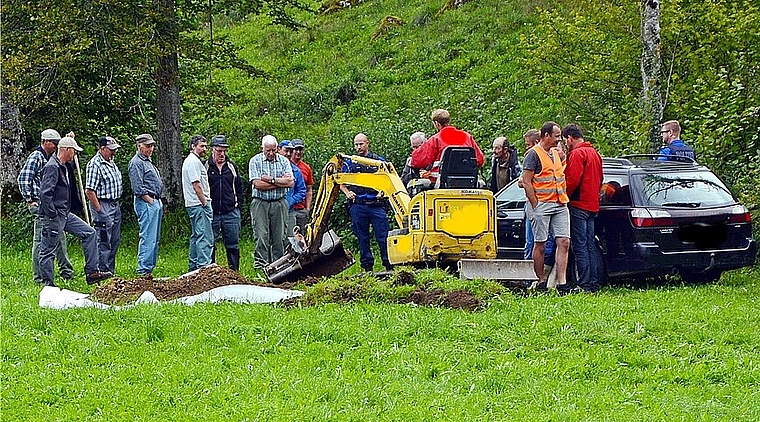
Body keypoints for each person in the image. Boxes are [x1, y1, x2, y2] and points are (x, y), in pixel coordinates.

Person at [38, 136, 112, 286]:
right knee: (48, 250)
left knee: (89, 233)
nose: (75, 155)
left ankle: (92, 272)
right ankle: (48, 285)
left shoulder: (63, 166)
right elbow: (45, 194)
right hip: (54, 215)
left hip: (65, 214)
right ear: (66, 150)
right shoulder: (52, 167)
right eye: (74, 151)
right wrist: (52, 214)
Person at [17, 129, 74, 284]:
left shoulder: (51, 158)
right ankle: (40, 277)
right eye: (54, 143)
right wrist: (30, 200)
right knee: (41, 241)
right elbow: (23, 179)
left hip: (50, 205)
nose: (56, 146)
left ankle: (65, 271)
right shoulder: (37, 156)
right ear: (46, 142)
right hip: (40, 204)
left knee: (58, 237)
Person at [521, 121, 572, 294]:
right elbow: (526, 182)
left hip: (559, 203)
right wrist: (535, 204)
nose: (559, 139)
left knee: (564, 241)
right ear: (546, 135)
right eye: (556, 136)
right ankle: (540, 280)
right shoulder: (533, 155)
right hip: (541, 204)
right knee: (540, 244)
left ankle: (562, 283)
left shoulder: (556, 154)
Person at [340, 133, 393, 272]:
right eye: (356, 144)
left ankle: (388, 263)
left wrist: (383, 191)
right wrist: (347, 193)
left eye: (361, 144)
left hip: (376, 204)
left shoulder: (378, 161)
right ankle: (367, 266)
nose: (359, 147)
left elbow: (389, 179)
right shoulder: (350, 162)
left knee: (383, 236)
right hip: (358, 205)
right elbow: (339, 182)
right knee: (362, 237)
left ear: (367, 143)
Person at [563, 123, 603, 293]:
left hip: (579, 204)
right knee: (590, 245)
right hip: (592, 205)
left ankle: (584, 283)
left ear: (570, 138)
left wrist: (563, 196)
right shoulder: (595, 153)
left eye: (566, 140)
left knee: (580, 245)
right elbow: (601, 178)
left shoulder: (577, 154)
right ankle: (593, 282)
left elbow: (572, 180)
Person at [249, 135, 294, 268]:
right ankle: (261, 265)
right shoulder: (255, 161)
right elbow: (257, 184)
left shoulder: (283, 161)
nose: (271, 153)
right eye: (268, 150)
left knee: (279, 236)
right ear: (262, 148)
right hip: (260, 203)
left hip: (279, 202)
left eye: (274, 150)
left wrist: (270, 180)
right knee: (261, 235)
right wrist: (280, 182)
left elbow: (290, 182)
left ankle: (278, 265)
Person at [411, 109, 485, 184]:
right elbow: (479, 160)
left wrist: (411, 160)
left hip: (441, 183)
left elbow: (419, 160)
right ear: (448, 121)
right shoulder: (467, 137)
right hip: (468, 182)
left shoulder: (436, 139)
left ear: (437, 124)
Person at [85, 135, 123, 274]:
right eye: (111, 149)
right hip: (102, 204)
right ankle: (102, 270)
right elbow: (90, 191)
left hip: (114, 204)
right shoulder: (95, 165)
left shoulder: (111, 162)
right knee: (103, 239)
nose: (114, 152)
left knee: (114, 239)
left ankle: (110, 270)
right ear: (102, 149)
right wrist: (100, 210)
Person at [205, 135, 244, 271]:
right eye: (219, 151)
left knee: (233, 244)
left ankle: (234, 273)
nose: (222, 154)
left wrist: (239, 207)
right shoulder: (206, 166)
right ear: (212, 150)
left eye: (224, 151)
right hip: (213, 212)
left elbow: (239, 187)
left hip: (231, 212)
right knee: (210, 244)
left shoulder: (232, 166)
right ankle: (210, 272)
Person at [128, 133, 164, 276]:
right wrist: (149, 200)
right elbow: (137, 186)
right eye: (148, 146)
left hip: (154, 201)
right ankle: (143, 269)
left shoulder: (147, 161)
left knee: (154, 237)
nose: (151, 149)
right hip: (146, 202)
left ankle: (148, 268)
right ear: (139, 146)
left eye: (152, 146)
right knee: (148, 236)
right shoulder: (136, 162)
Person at [182, 135, 213, 272]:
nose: (204, 149)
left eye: (205, 146)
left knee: (196, 235)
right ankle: (203, 267)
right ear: (193, 146)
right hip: (198, 204)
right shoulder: (193, 162)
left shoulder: (192, 161)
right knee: (204, 236)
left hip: (193, 204)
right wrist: (205, 203)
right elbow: (196, 184)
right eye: (201, 146)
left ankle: (193, 268)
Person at [278, 140, 306, 244]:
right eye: (286, 151)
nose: (288, 154)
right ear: (279, 150)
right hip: (274, 210)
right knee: (274, 239)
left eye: (290, 151)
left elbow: (302, 191)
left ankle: (289, 260)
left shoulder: (296, 171)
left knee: (290, 240)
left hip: (290, 211)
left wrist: (291, 200)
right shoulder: (272, 168)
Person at [290, 138, 314, 233]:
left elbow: (309, 190)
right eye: (296, 149)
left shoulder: (306, 168)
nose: (298, 152)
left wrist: (307, 209)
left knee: (301, 237)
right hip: (288, 209)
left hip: (300, 209)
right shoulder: (285, 164)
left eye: (300, 149)